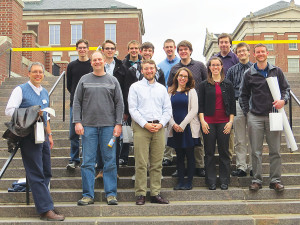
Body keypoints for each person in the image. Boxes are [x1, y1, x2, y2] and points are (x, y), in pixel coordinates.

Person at [5, 62, 65, 221]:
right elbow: (9, 110)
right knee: (36, 172)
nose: (38, 74)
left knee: (46, 171)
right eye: (35, 72)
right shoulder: (20, 90)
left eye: (41, 72)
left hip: (42, 135)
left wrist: (50, 135)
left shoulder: (44, 92)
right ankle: (45, 210)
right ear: (29, 73)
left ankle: (46, 204)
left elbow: (47, 116)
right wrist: (32, 112)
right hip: (28, 136)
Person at [73, 51, 124, 205]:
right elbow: (77, 102)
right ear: (91, 62)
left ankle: (111, 194)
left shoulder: (112, 80)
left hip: (108, 126)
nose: (97, 62)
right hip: (88, 126)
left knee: (110, 161)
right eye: (94, 60)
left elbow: (119, 104)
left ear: (104, 61)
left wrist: (118, 124)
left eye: (99, 59)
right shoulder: (84, 80)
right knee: (87, 161)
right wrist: (77, 122)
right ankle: (88, 195)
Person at [239, 44, 290, 192]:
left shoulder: (277, 71)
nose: (260, 54)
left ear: (267, 53)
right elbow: (243, 95)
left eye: (263, 51)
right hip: (255, 116)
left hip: (274, 115)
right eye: (258, 52)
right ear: (254, 55)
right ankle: (256, 180)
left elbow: (286, 89)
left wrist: (283, 100)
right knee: (255, 151)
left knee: (275, 151)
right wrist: (248, 112)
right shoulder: (249, 73)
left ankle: (275, 180)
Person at [128, 59, 172, 205]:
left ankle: (155, 193)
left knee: (157, 163)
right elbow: (132, 109)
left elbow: (167, 109)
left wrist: (160, 124)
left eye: (151, 68)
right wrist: (145, 124)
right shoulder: (135, 87)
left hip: (159, 128)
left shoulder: (161, 88)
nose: (149, 71)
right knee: (141, 162)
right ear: (142, 71)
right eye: (146, 68)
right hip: (142, 128)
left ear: (155, 70)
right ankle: (140, 193)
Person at [167, 40, 207, 177]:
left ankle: (199, 166)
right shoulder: (174, 69)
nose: (183, 52)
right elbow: (170, 87)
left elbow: (206, 84)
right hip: (179, 106)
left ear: (190, 50)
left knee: (196, 139)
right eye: (181, 50)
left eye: (186, 49)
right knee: (180, 140)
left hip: (196, 106)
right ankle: (181, 167)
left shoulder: (200, 65)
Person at [199, 57, 236, 191]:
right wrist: (202, 121)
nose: (215, 67)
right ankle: (211, 181)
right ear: (209, 68)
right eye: (212, 65)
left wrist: (230, 122)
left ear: (221, 67)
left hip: (224, 122)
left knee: (224, 152)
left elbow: (232, 105)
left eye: (217, 65)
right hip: (208, 123)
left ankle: (224, 180)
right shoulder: (203, 84)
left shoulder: (228, 84)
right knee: (209, 152)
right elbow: (200, 105)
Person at [94, 39, 127, 178]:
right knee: (100, 140)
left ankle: (114, 170)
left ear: (115, 50)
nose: (109, 50)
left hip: (116, 108)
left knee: (116, 139)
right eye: (107, 48)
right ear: (102, 50)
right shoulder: (96, 66)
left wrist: (125, 111)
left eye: (112, 48)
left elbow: (126, 89)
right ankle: (101, 169)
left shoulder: (122, 66)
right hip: (99, 108)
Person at [167, 67, 200, 190]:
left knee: (190, 155)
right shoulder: (170, 92)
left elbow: (194, 110)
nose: (182, 78)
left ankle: (189, 182)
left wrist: (182, 125)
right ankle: (180, 181)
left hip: (187, 128)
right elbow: (167, 110)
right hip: (174, 128)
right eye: (180, 75)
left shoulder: (191, 91)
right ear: (177, 77)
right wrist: (173, 124)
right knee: (179, 156)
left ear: (188, 79)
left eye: (185, 76)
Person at [226, 42, 253, 177]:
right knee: (240, 138)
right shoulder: (231, 71)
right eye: (239, 52)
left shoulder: (256, 68)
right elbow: (228, 91)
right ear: (236, 55)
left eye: (244, 51)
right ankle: (241, 166)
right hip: (237, 104)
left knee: (254, 138)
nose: (242, 53)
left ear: (249, 52)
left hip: (254, 105)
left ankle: (254, 166)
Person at [66, 39, 92, 170]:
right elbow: (69, 85)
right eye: (80, 47)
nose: (82, 50)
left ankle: (87, 159)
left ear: (88, 49)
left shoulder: (92, 65)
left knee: (88, 133)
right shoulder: (71, 66)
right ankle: (74, 159)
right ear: (77, 49)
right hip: (75, 105)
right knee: (73, 134)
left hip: (90, 105)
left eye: (84, 47)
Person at [214, 33, 239, 161]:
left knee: (229, 130)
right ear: (218, 44)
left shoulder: (236, 58)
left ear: (230, 44)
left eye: (226, 42)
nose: (223, 44)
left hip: (231, 98)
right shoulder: (214, 59)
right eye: (221, 42)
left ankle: (228, 158)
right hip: (216, 99)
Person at [158, 39, 181, 167]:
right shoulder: (160, 65)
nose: (169, 49)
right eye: (167, 47)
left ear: (175, 47)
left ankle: (179, 154)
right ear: (164, 49)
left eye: (171, 47)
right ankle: (167, 156)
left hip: (179, 98)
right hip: (165, 98)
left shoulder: (180, 63)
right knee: (167, 128)